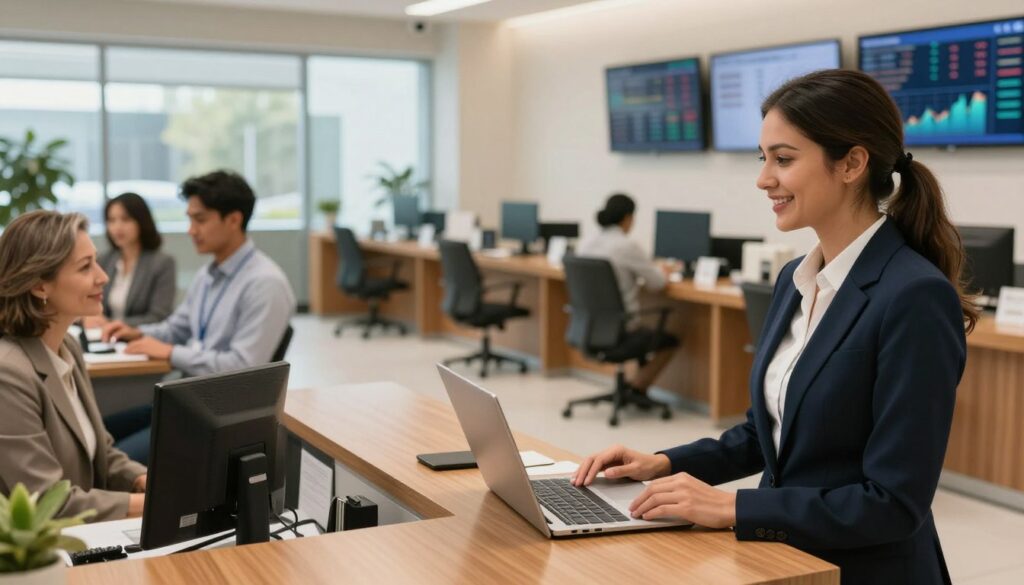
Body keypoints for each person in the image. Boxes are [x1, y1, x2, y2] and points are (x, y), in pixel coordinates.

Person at [573, 70, 974, 585]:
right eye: (763, 159)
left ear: (852, 162)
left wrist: (735, 507)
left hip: (861, 570)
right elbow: (771, 436)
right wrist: (662, 463)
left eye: (783, 159)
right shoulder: (795, 278)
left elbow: (894, 503)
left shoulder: (914, 296)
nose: (764, 179)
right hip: (785, 561)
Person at [101, 170, 296, 463]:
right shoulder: (209, 273)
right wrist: (140, 333)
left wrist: (169, 352)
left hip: (219, 414)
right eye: (190, 218)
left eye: (200, 219)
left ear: (234, 220)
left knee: (112, 460)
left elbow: (241, 368)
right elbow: (177, 327)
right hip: (187, 398)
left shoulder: (265, 283)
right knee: (99, 435)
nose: (191, 229)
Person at [0, 211, 147, 521]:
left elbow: (101, 452)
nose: (102, 276)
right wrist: (151, 505)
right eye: (85, 267)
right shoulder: (8, 373)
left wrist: (141, 479)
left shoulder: (67, 348)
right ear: (40, 286)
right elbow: (46, 502)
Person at [576, 193, 677, 395]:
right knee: (670, 341)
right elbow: (657, 283)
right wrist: (664, 271)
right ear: (628, 218)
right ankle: (637, 388)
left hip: (588, 327)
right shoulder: (626, 245)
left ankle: (633, 387)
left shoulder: (586, 243)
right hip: (621, 330)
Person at [83, 192, 176, 328]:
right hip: (102, 340)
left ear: (141, 221)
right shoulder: (104, 260)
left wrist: (112, 324)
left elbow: (159, 317)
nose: (117, 227)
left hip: (141, 341)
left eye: (125, 219)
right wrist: (88, 318)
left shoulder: (162, 263)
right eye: (111, 220)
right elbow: (87, 302)